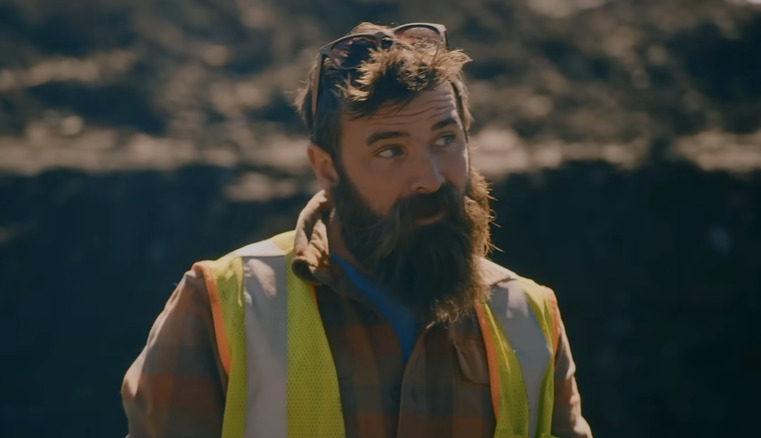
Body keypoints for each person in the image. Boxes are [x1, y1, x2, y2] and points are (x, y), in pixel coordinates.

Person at [121, 22, 592, 438]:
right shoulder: (223, 307)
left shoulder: (531, 318)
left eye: (446, 140)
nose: (430, 178)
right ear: (327, 169)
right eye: (391, 151)